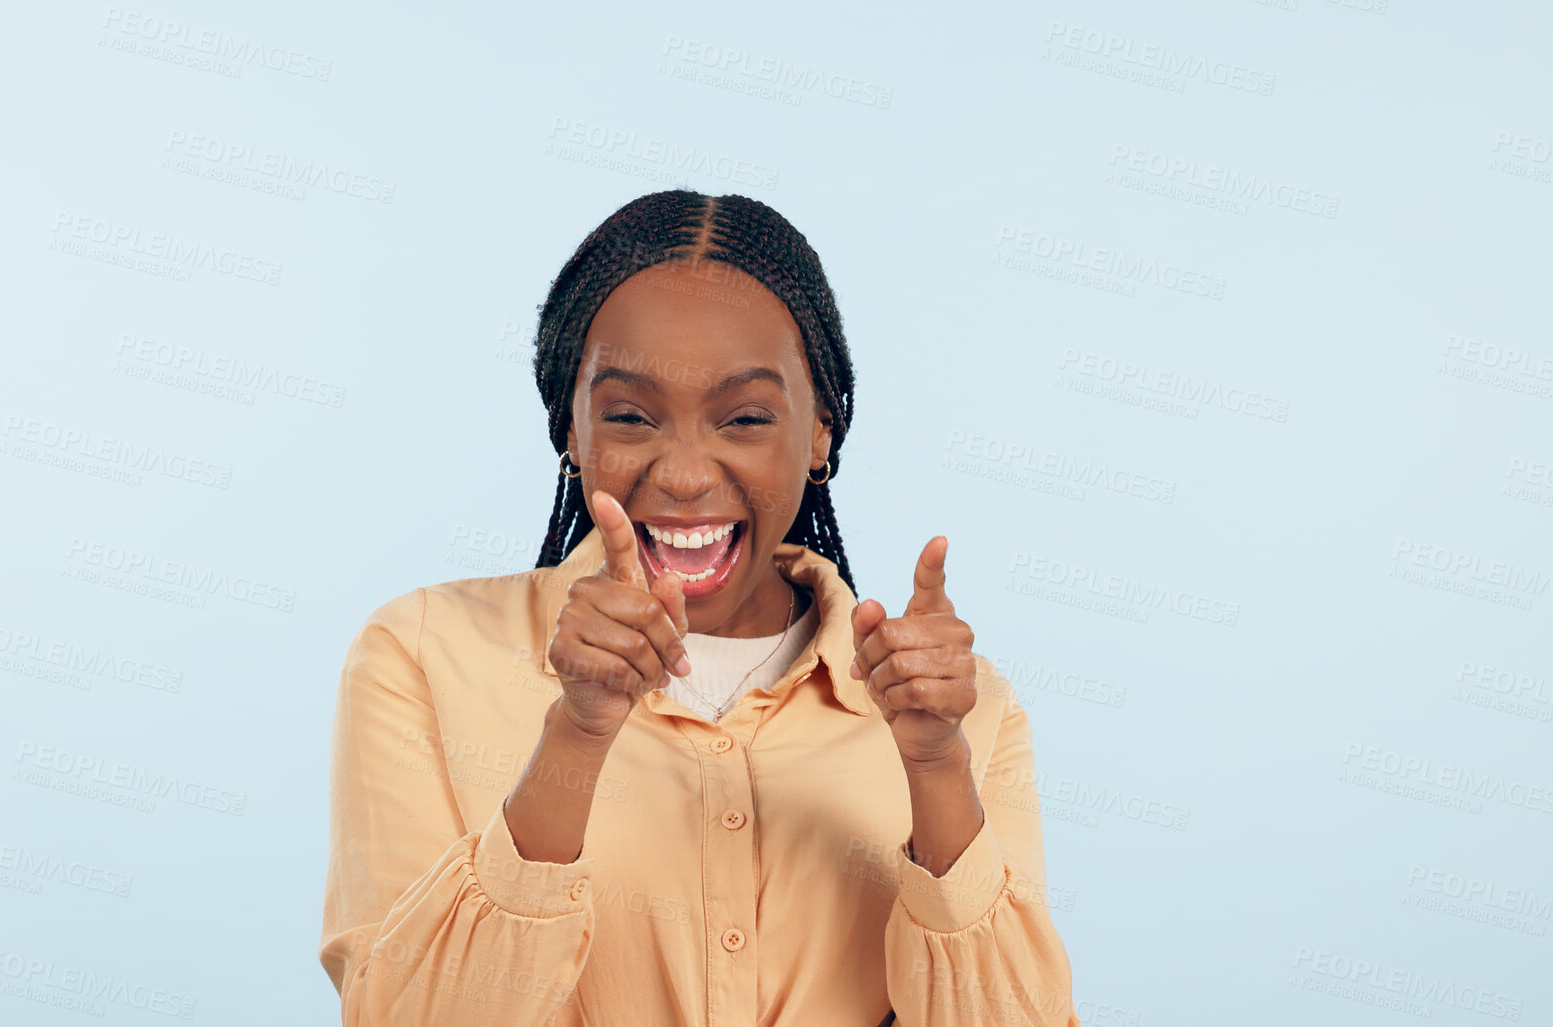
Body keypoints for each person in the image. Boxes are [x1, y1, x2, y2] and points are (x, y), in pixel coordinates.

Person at [319, 190, 1080, 1025]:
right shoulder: (422, 656)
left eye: (745, 417)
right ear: (569, 428)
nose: (683, 474)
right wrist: (576, 732)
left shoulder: (961, 710)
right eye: (630, 416)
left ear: (820, 431)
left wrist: (935, 771)